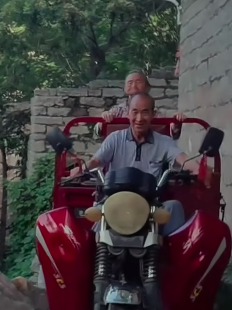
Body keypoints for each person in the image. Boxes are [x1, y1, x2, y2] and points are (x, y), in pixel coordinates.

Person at [82, 93, 209, 236]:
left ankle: (172, 249)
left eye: (145, 112)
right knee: (93, 229)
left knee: (174, 207)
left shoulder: (164, 142)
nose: (139, 118)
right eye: (135, 112)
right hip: (115, 202)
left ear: (153, 114)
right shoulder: (115, 139)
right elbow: (96, 161)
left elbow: (182, 159)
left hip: (150, 205)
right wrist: (80, 169)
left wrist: (199, 169)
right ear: (128, 114)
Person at [101, 70, 185, 140]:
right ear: (125, 88)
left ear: (147, 87)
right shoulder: (117, 111)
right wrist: (103, 120)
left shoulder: (154, 113)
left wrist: (176, 122)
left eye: (138, 82)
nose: (134, 86)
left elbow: (172, 132)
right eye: (130, 82)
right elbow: (98, 132)